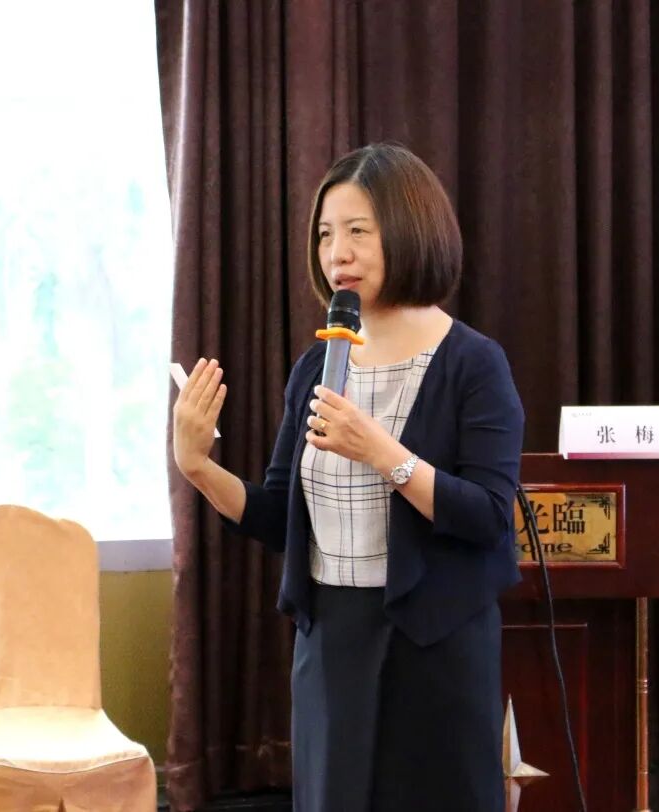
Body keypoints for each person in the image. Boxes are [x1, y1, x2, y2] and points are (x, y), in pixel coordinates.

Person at [172, 143, 524, 811]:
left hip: (436, 644)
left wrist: (384, 453)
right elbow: (278, 515)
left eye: (359, 231)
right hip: (332, 640)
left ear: (411, 230)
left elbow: (486, 515)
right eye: (326, 234)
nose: (338, 253)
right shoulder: (317, 366)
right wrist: (198, 466)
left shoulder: (474, 364)